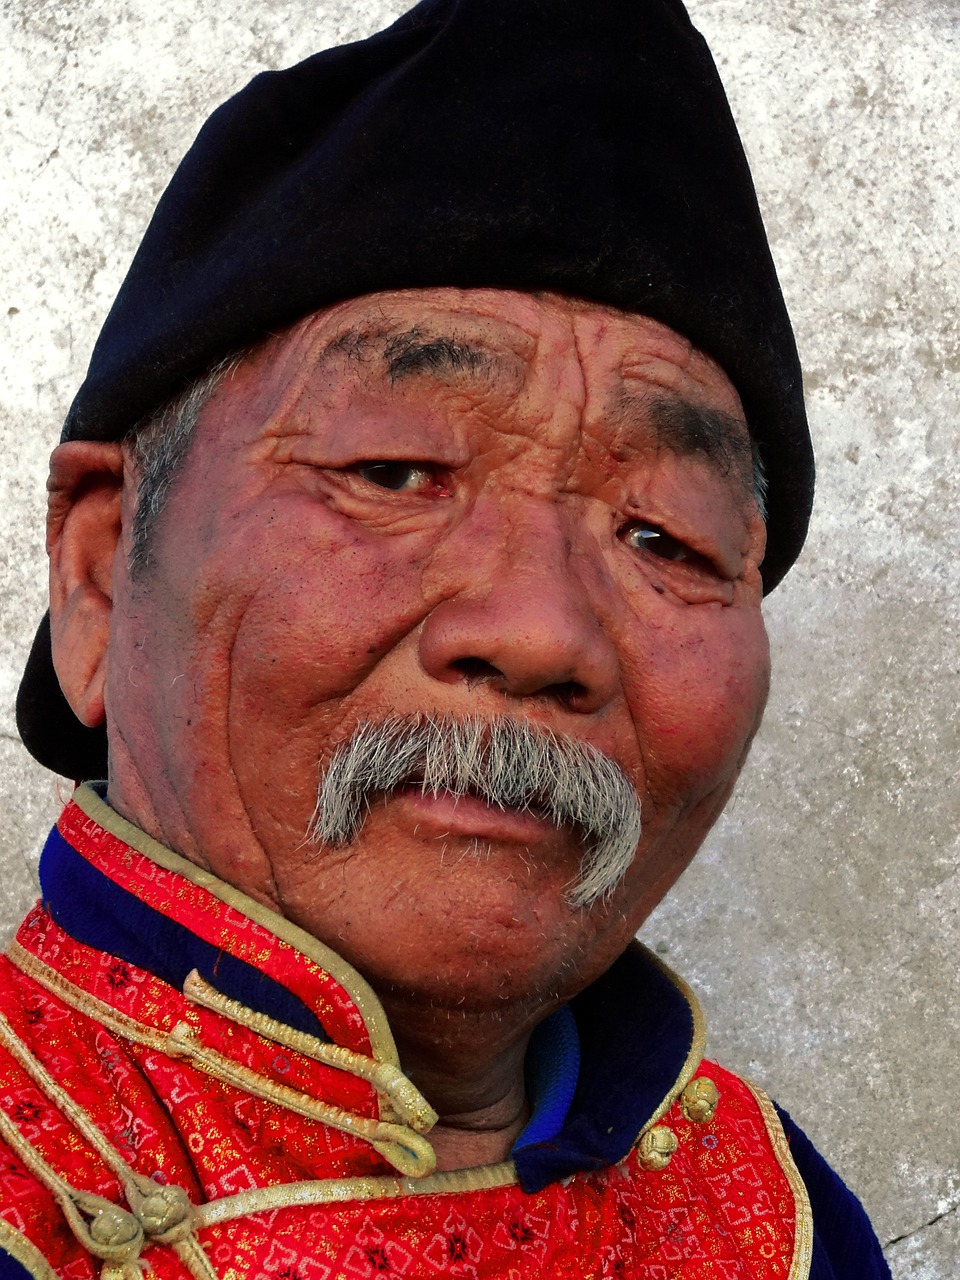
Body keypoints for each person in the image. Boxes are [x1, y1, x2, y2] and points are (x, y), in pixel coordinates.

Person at [0, 0, 891, 1276]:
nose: (539, 631)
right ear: (98, 573)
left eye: (665, 538)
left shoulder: (784, 1218)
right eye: (398, 468)